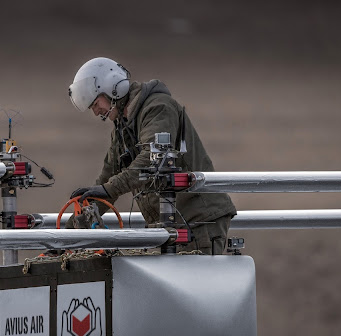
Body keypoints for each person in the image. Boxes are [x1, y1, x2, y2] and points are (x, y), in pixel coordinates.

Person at [67, 57, 236, 255]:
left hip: (198, 221)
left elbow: (153, 158)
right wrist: (68, 235)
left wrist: (109, 188)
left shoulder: (157, 108)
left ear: (113, 88)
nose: (96, 112)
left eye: (96, 104)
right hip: (171, 225)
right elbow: (106, 181)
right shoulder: (123, 128)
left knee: (194, 284)